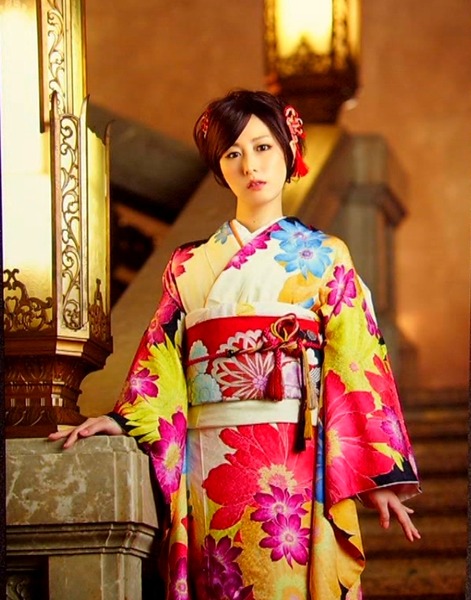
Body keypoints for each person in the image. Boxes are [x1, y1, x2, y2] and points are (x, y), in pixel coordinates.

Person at [50, 89, 421, 600]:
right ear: (219, 167)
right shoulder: (188, 265)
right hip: (210, 458)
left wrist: (379, 474)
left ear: (289, 151)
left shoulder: (326, 257)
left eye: (263, 147)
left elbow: (355, 359)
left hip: (294, 457)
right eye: (232, 153)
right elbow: (163, 356)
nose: (250, 165)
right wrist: (124, 418)